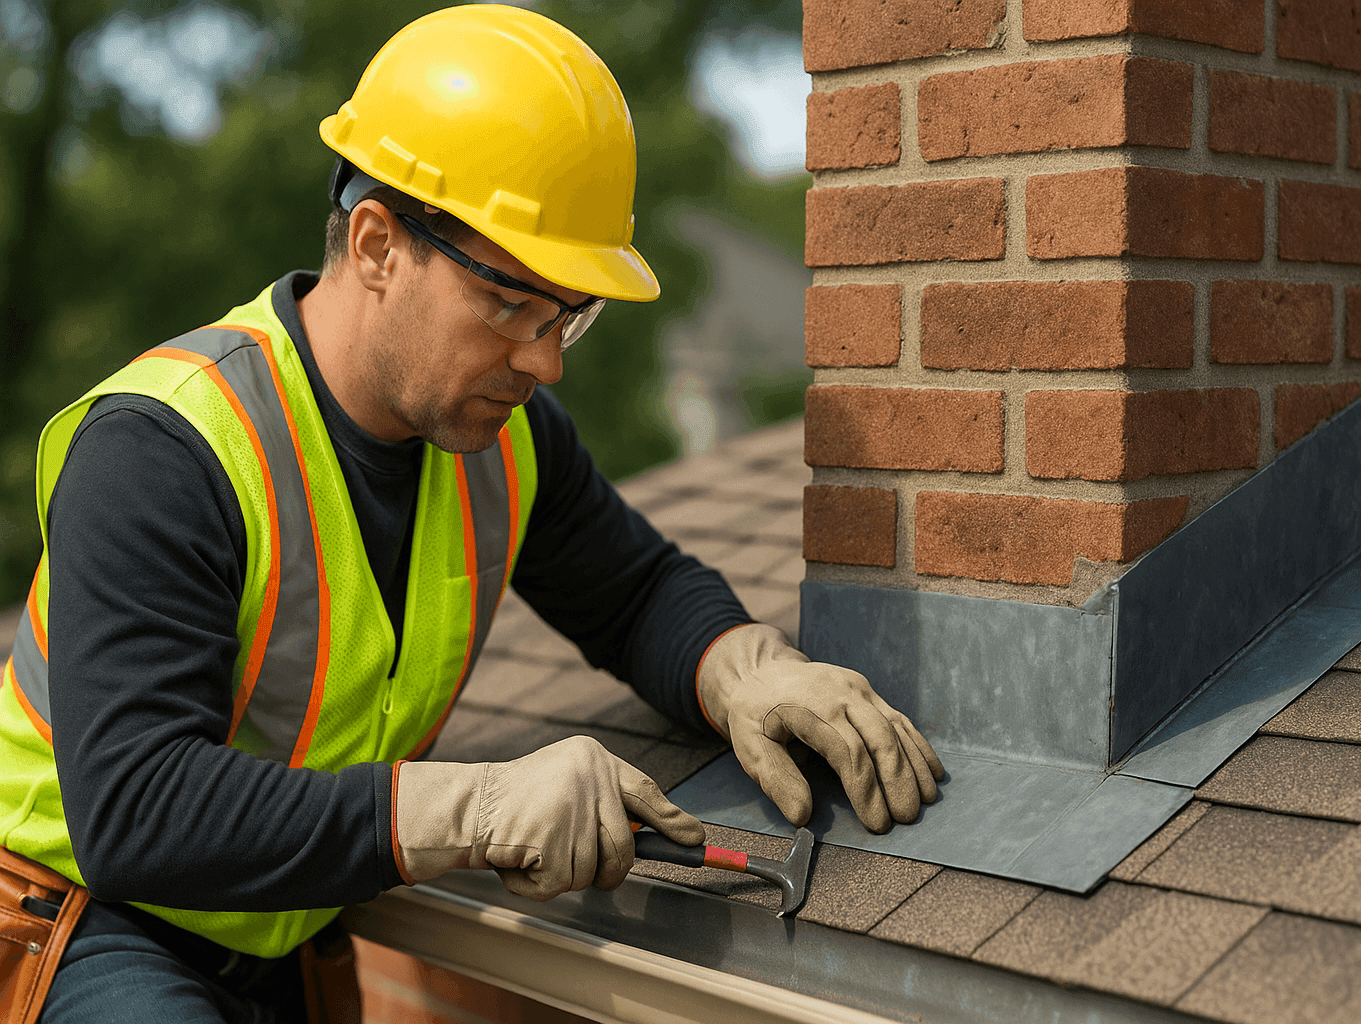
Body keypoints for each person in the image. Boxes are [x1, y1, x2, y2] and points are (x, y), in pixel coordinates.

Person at [0, 6, 943, 1023]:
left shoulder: (506, 443)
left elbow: (633, 594)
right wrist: (481, 806)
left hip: (276, 935)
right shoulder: (167, 448)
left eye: (567, 314)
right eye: (510, 305)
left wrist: (749, 671)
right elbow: (137, 808)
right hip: (84, 920)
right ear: (376, 245)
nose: (546, 361)